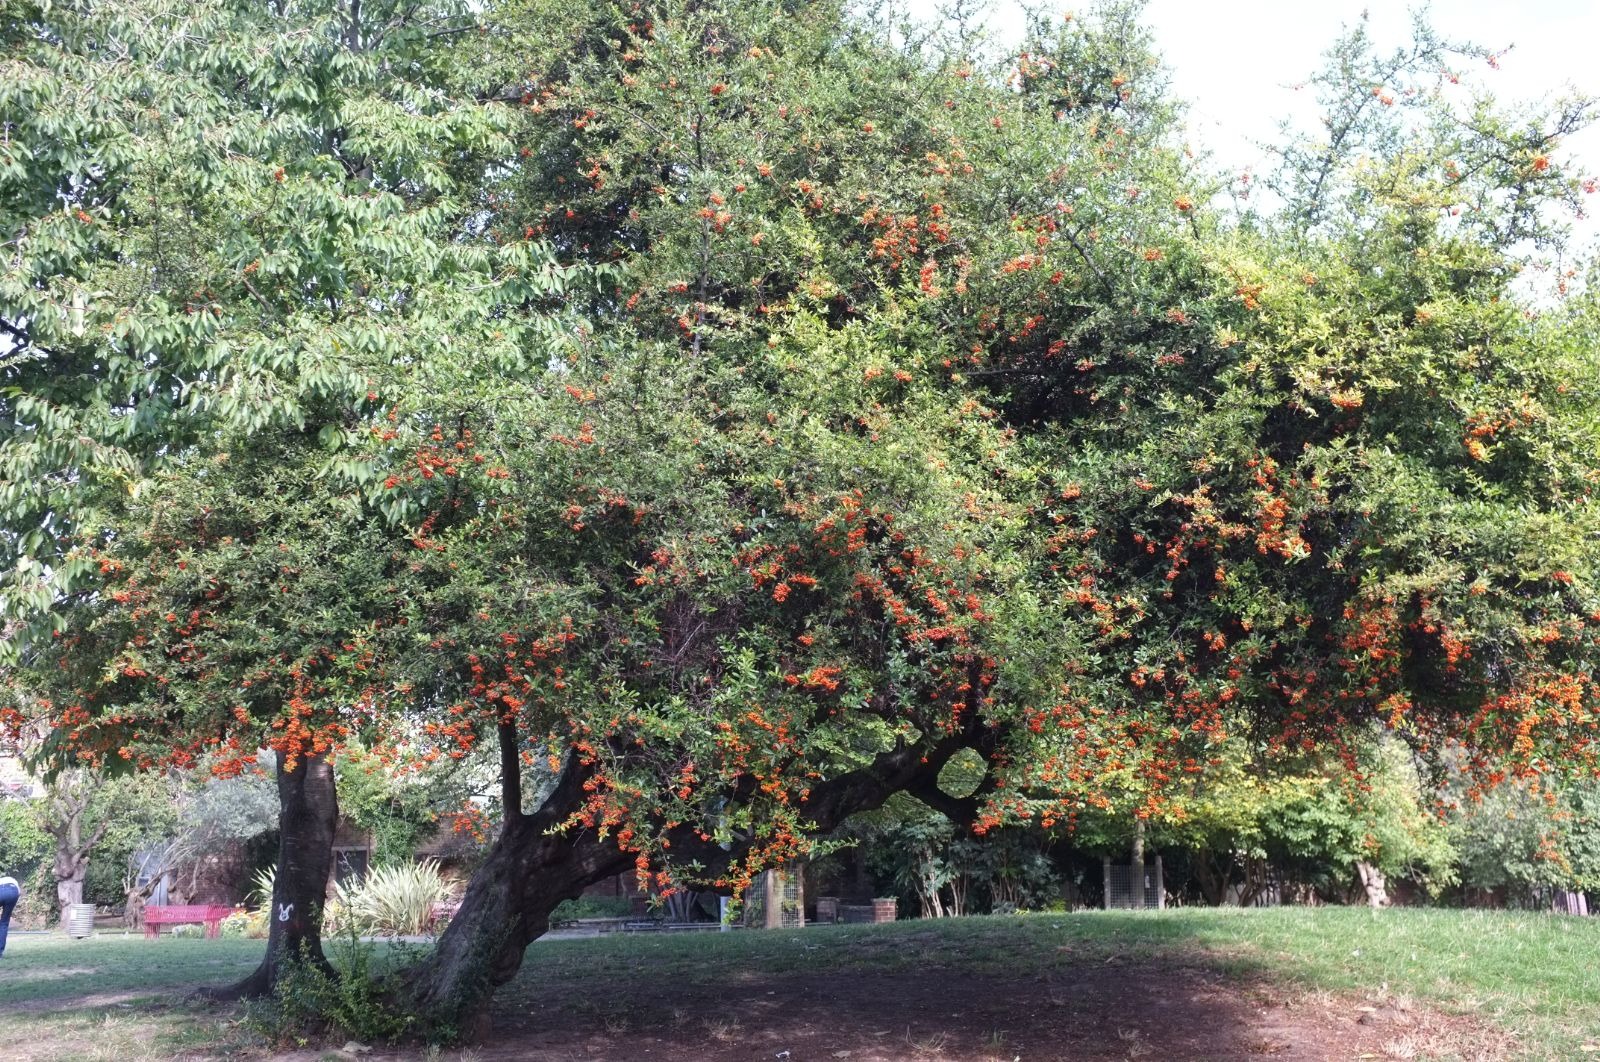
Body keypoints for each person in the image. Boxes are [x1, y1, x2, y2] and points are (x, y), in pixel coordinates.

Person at [0, 873, 19, 958]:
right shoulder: (13, 881)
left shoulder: (2, 881)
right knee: (4, 922)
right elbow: (18, 894)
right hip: (14, 892)